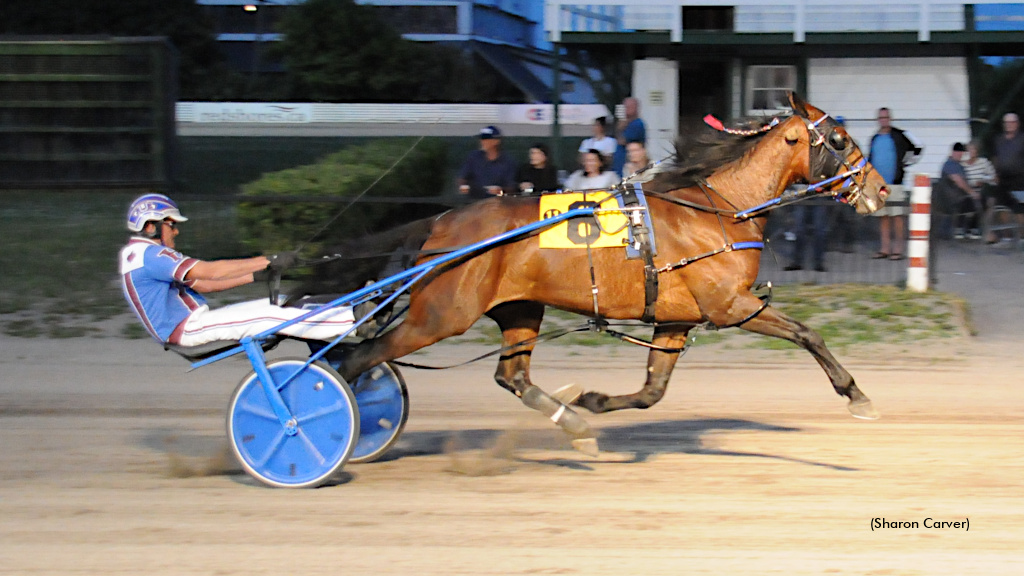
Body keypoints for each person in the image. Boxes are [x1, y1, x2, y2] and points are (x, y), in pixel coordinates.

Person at [119, 193, 355, 347]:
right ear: (150, 226)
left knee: (281, 302)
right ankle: (353, 320)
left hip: (193, 321)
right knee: (270, 317)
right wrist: (267, 259)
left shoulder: (142, 255)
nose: (176, 231)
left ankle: (343, 311)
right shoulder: (150, 256)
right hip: (187, 328)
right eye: (171, 225)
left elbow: (203, 285)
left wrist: (256, 275)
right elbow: (210, 271)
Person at [867, 107, 922, 260]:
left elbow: (918, 147)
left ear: (890, 119)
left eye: (886, 117)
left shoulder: (899, 135)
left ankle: (898, 249)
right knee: (883, 217)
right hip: (879, 184)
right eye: (881, 117)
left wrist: (906, 163)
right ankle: (885, 248)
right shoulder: (874, 138)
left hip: (895, 183)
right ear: (878, 120)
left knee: (897, 216)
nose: (884, 120)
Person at [458, 125, 517, 199]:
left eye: (486, 139)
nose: (482, 142)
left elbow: (511, 187)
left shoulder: (508, 161)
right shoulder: (473, 157)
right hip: (474, 201)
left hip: (497, 202)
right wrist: (463, 186)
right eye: (481, 139)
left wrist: (500, 190)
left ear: (496, 141)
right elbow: (463, 177)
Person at [990, 112, 1024, 242]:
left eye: (1012, 122)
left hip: (1020, 180)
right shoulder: (999, 140)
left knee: (1020, 209)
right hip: (1002, 180)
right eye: (1006, 123)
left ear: (1017, 124)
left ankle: (1022, 237)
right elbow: (995, 158)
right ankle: (1007, 236)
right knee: (1002, 208)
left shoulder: (1022, 138)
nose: (1009, 125)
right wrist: (995, 173)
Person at [939, 142, 980, 240]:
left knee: (979, 199)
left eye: (961, 152)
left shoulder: (959, 165)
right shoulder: (950, 164)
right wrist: (972, 192)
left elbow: (965, 182)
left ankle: (968, 229)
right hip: (952, 200)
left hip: (959, 198)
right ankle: (967, 229)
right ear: (953, 152)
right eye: (958, 152)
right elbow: (959, 181)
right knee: (980, 201)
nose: (960, 154)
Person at [960, 139, 999, 242]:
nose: (971, 152)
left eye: (974, 150)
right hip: (965, 192)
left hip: (978, 191)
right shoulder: (961, 164)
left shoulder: (983, 163)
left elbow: (994, 179)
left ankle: (984, 231)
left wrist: (984, 179)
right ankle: (974, 228)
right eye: (969, 150)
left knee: (990, 201)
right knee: (980, 201)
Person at [783, 186, 829, 272]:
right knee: (799, 229)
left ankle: (817, 262)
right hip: (802, 192)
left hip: (817, 193)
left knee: (818, 229)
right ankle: (798, 262)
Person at [612, 97, 646, 176]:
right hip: (619, 163)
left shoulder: (637, 124)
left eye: (629, 107)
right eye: (625, 107)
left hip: (629, 163)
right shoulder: (627, 123)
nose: (626, 109)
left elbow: (622, 140)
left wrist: (620, 128)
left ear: (636, 108)